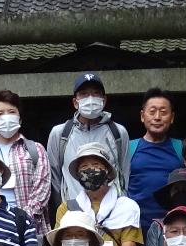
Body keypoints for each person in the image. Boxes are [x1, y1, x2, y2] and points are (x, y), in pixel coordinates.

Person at [56, 142, 141, 246]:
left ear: (107, 170)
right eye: (84, 167)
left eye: (95, 165)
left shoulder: (127, 207)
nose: (90, 170)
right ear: (77, 175)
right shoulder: (66, 209)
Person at [45, 72, 130, 202]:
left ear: (104, 100)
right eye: (84, 94)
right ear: (75, 102)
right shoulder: (60, 133)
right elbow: (54, 177)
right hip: (74, 212)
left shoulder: (118, 132)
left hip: (111, 212)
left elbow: (124, 172)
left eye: (95, 93)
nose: (90, 98)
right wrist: (63, 207)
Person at [0, 88, 52, 229]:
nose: (6, 117)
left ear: (20, 118)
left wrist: (22, 219)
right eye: (0, 113)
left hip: (29, 226)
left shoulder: (36, 149)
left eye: (11, 112)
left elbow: (42, 189)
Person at [124, 88, 184, 210]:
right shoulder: (128, 148)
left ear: (172, 117)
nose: (157, 117)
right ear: (142, 116)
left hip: (173, 223)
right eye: (152, 112)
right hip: (135, 224)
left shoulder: (182, 148)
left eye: (163, 112)